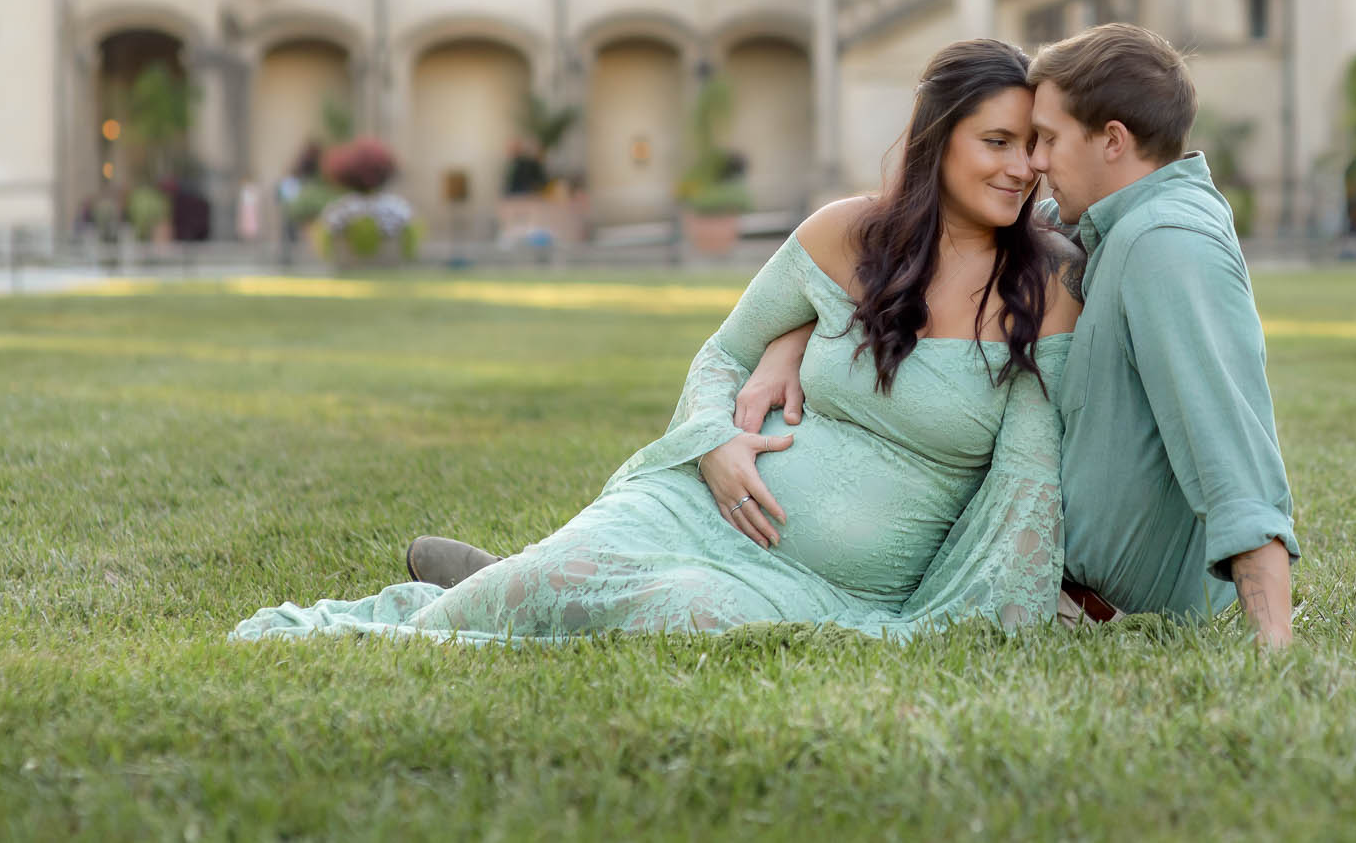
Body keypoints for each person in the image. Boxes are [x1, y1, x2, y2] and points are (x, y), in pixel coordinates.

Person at [231, 39, 1081, 645]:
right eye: (996, 142)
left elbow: (1027, 490)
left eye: (1031, 147)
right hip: (695, 502)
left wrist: (1005, 612)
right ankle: (495, 584)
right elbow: (721, 356)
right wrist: (713, 443)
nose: (1020, 167)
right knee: (529, 591)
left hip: (825, 583)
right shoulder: (844, 235)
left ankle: (507, 581)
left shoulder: (1044, 291)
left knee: (683, 615)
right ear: (939, 143)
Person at [735, 23, 1301, 646]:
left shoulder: (1166, 245)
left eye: (1047, 139)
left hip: (1086, 605)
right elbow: (943, 248)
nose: (1033, 163)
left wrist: (1273, 645)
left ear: (1112, 141)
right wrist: (794, 334)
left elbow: (1230, 446)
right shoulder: (1108, 219)